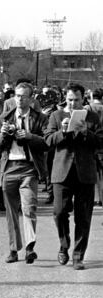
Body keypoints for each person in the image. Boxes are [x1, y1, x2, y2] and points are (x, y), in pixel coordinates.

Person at [45, 83, 103, 270]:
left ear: (83, 99)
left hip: (85, 173)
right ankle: (64, 244)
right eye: (69, 100)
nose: (72, 104)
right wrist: (62, 132)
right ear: (65, 99)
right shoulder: (56, 115)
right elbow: (48, 140)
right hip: (62, 173)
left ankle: (78, 256)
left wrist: (87, 132)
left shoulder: (93, 117)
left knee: (83, 217)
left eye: (76, 100)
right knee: (59, 212)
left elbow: (100, 142)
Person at [0, 82, 48, 264]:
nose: (19, 99)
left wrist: (30, 137)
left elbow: (48, 141)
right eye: (17, 95)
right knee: (11, 211)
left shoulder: (39, 118)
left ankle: (30, 247)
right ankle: (14, 249)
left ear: (31, 99)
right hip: (8, 168)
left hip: (29, 168)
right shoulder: (4, 118)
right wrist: (3, 135)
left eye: (23, 96)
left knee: (29, 207)